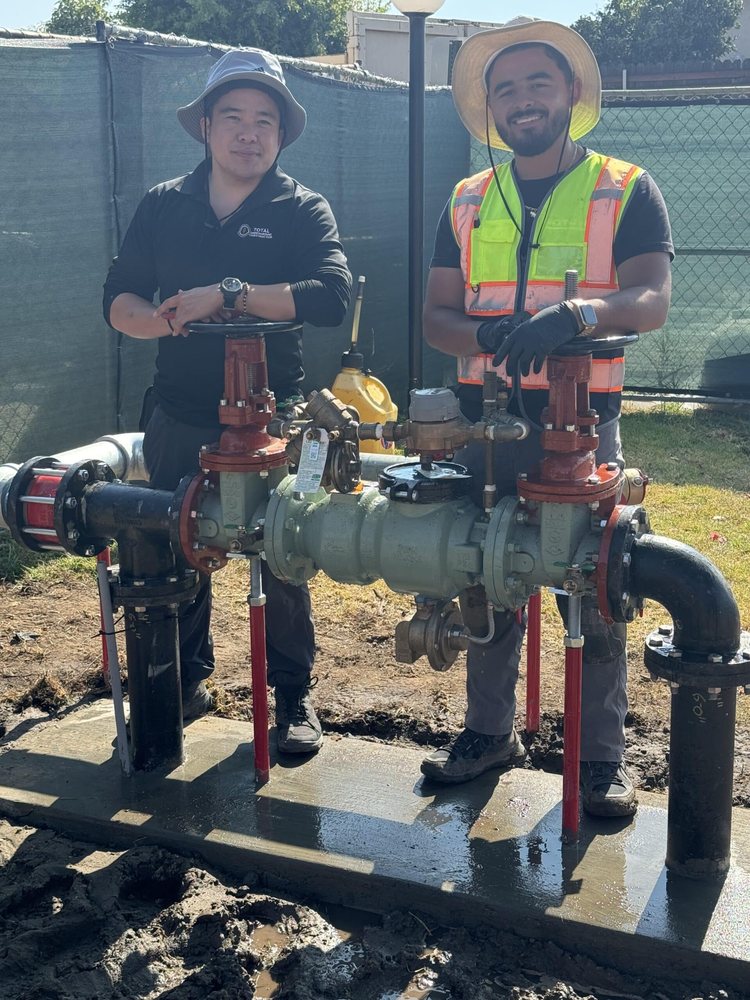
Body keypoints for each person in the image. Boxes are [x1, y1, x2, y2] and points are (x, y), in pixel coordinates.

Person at [421, 18, 673, 817]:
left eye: (538, 83)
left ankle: (599, 759)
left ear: (571, 93)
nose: (522, 100)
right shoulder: (467, 198)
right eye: (506, 90)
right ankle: (487, 732)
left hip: (583, 423)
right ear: (490, 108)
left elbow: (651, 298)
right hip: (484, 425)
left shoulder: (624, 187)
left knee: (593, 587)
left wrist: (579, 315)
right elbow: (436, 316)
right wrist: (485, 335)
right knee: (485, 573)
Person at [103, 49, 352, 752]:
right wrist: (162, 321)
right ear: (206, 126)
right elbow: (119, 295)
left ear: (281, 134)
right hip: (179, 415)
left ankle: (293, 696)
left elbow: (330, 296)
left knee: (283, 553)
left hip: (274, 420)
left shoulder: (300, 208)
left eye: (265, 120)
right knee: (176, 546)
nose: (249, 132)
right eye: (234, 117)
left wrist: (229, 294)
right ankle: (183, 681)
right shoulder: (164, 203)